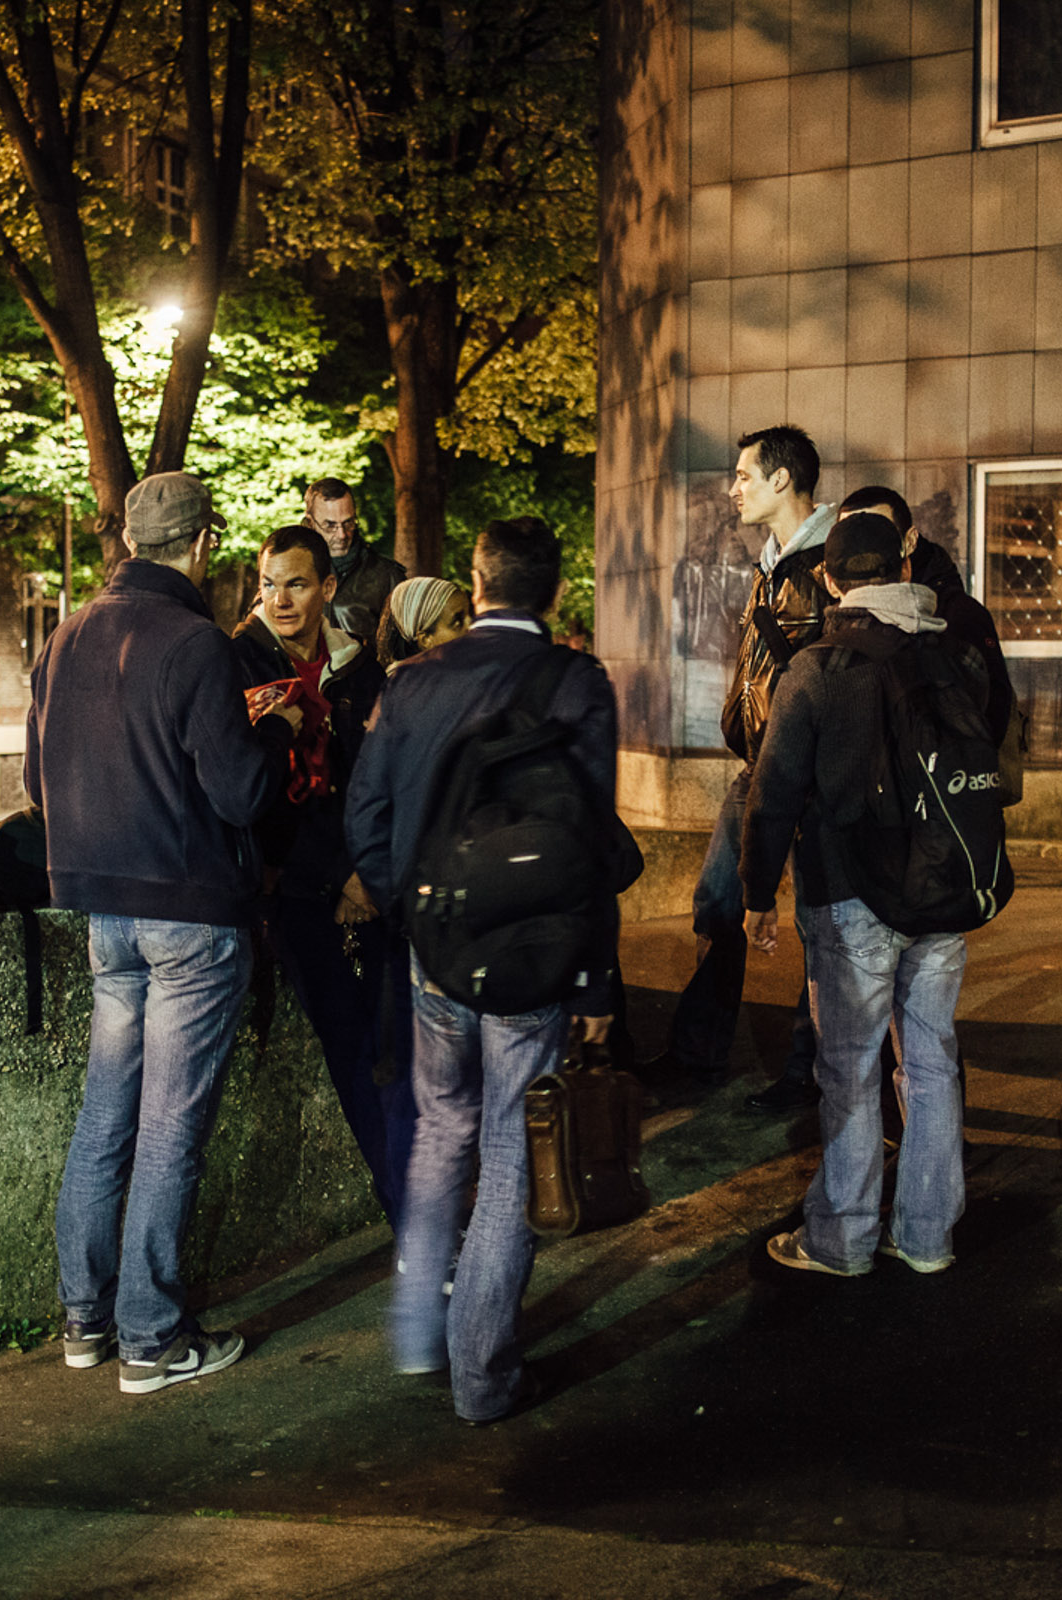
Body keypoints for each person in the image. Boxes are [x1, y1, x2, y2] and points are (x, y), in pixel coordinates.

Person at [24, 472, 302, 1395]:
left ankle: (85, 1317)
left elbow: (37, 784)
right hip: (188, 909)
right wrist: (279, 731)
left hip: (103, 911)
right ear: (201, 543)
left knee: (106, 1111)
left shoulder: (63, 639)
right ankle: (151, 1336)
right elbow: (240, 794)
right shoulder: (197, 644)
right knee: (172, 1126)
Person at [344, 516, 618, 1425]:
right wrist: (595, 983)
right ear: (552, 586)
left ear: (477, 579)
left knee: (438, 1132)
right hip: (533, 961)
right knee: (511, 1149)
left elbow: (367, 817)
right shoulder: (576, 683)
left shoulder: (414, 682)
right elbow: (588, 846)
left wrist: (408, 912)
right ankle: (483, 1374)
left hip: (437, 952)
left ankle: (419, 1331)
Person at [739, 511, 995, 1276]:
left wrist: (757, 894)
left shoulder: (818, 666)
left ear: (828, 578)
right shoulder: (952, 653)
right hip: (943, 888)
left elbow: (772, 789)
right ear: (902, 570)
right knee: (930, 1062)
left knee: (846, 1069)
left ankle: (841, 1237)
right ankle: (926, 1236)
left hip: (849, 892)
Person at [231, 525, 412, 1222]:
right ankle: (405, 1208)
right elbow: (255, 797)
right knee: (350, 1045)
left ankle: (417, 1195)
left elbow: (376, 777)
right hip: (297, 890)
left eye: (296, 584)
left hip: (371, 884)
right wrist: (340, 876)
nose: (279, 599)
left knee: (394, 1046)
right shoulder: (237, 663)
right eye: (269, 584)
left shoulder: (359, 670)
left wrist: (366, 874)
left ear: (328, 588)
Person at [647, 424, 831, 1104]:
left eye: (744, 476)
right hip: (757, 765)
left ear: (781, 479)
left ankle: (806, 1075)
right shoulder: (771, 561)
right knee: (717, 902)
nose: (733, 488)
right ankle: (697, 1055)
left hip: (807, 774)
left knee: (817, 921)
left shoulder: (824, 564)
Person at [305, 477, 407, 643]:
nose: (342, 535)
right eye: (330, 525)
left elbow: (405, 650)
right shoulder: (289, 569)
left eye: (348, 523)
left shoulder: (387, 575)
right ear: (311, 522)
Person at [376, 576, 473, 672]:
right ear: (425, 640)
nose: (472, 626)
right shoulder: (407, 684)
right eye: (458, 623)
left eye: (471, 615)